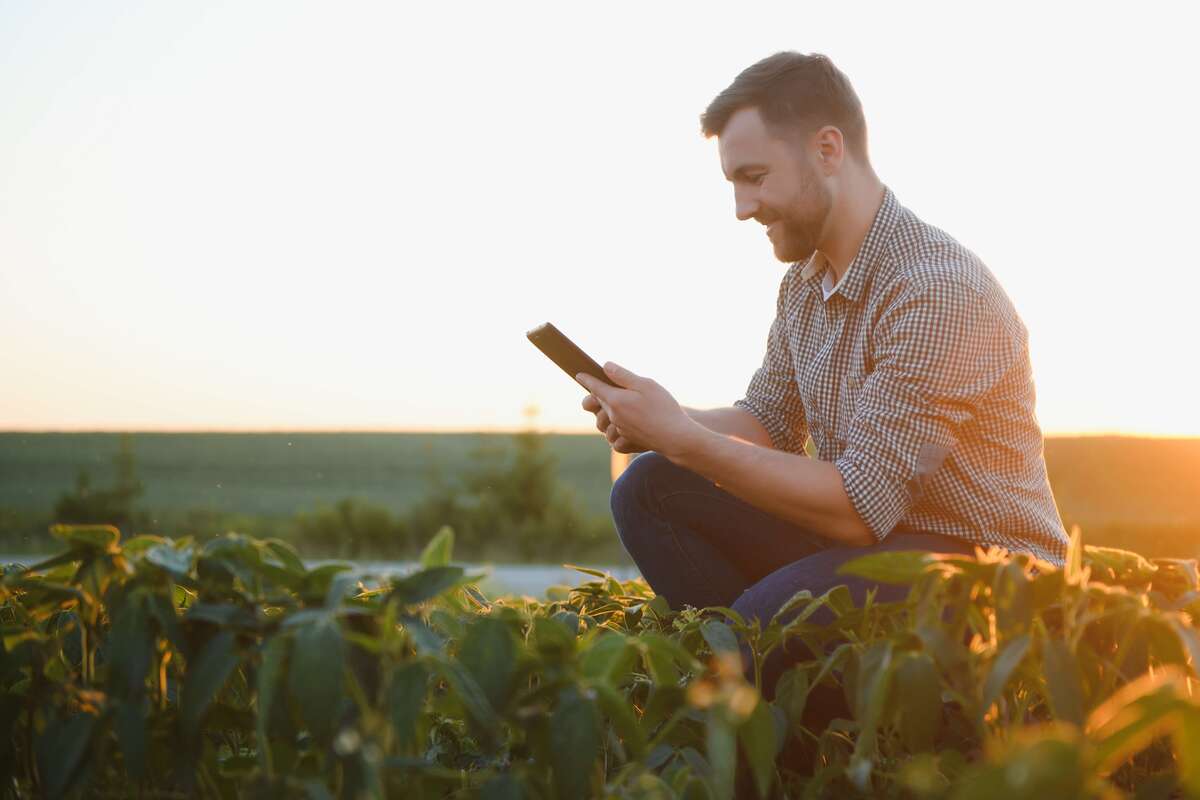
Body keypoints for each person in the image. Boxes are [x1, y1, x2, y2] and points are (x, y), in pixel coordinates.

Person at [574, 51, 1069, 701]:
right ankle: (781, 695)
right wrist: (662, 421)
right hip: (885, 546)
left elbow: (859, 509)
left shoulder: (938, 291)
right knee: (649, 489)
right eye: (733, 183)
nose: (741, 207)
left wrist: (685, 438)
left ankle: (773, 693)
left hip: (987, 570)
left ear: (827, 150)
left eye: (754, 177)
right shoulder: (805, 285)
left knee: (760, 627)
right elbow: (768, 423)